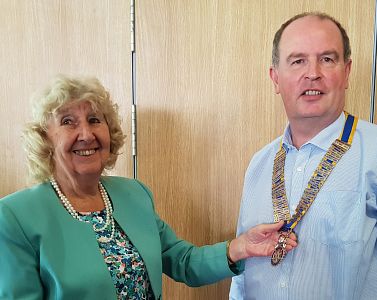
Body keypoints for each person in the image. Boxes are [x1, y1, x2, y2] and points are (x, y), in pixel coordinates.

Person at [0, 75, 297, 300]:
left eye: (94, 120)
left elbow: (182, 260)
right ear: (45, 139)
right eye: (68, 122)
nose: (86, 134)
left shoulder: (133, 194)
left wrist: (239, 247)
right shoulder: (15, 217)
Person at [230, 12, 377, 300]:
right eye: (298, 61)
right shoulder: (259, 164)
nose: (313, 73)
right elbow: (243, 276)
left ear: (346, 72)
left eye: (327, 59)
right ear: (275, 78)